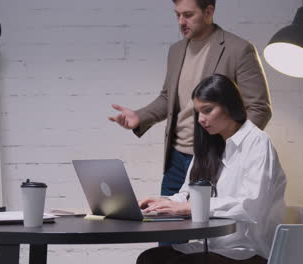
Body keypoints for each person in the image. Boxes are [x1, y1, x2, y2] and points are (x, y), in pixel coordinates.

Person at [109, 0, 271, 203]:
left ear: (209, 11)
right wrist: (140, 116)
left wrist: (231, 150)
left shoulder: (239, 50)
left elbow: (259, 108)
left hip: (214, 156)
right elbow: (169, 98)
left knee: (209, 227)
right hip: (176, 159)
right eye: (177, 15)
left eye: (188, 15)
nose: (181, 21)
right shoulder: (176, 51)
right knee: (167, 228)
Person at [136, 74, 287, 264]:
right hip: (210, 247)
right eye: (197, 112)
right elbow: (188, 194)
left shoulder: (257, 142)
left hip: (248, 251)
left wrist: (192, 207)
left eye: (207, 110)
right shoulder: (208, 147)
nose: (200, 119)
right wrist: (161, 203)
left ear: (229, 106)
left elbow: (252, 205)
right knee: (150, 258)